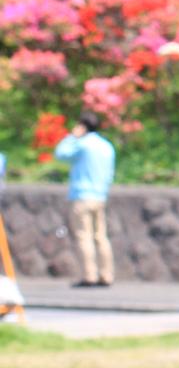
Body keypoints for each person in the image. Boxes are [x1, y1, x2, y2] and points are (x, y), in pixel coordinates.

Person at [53, 112, 116, 288]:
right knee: (101, 237)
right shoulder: (107, 146)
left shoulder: (83, 145)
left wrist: (72, 136)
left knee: (84, 236)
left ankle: (89, 276)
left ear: (83, 126)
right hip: (100, 196)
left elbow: (61, 154)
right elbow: (110, 173)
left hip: (82, 195)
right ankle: (106, 275)